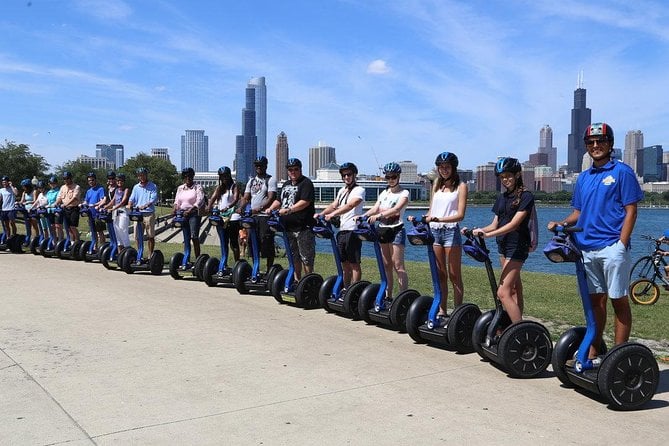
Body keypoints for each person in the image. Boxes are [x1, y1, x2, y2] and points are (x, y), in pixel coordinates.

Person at [548, 122, 643, 364]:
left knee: (618, 300)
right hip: (586, 249)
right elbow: (578, 212)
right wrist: (561, 222)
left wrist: (621, 245)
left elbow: (631, 211)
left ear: (610, 144)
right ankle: (593, 352)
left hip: (612, 247)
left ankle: (617, 357)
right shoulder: (583, 178)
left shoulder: (622, 172)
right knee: (595, 303)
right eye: (590, 142)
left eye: (600, 141)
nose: (595, 145)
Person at [472, 157, 533, 324]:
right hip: (503, 246)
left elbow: (514, 224)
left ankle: (518, 330)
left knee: (503, 292)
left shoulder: (526, 196)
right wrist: (477, 231)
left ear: (518, 174)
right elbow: (494, 224)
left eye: (508, 176)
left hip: (517, 246)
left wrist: (488, 235)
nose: (505, 179)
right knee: (513, 289)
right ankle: (515, 324)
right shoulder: (502, 198)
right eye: (502, 177)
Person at [420, 152, 468, 320]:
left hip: (450, 231)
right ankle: (442, 309)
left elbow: (460, 214)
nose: (444, 170)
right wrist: (425, 218)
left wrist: (439, 218)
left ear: (453, 168)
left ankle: (458, 311)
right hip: (434, 231)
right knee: (440, 273)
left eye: (447, 167)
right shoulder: (437, 186)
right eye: (441, 167)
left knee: (454, 274)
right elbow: (432, 209)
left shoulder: (461, 186)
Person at [364, 162, 410, 301]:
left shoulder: (404, 193)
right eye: (388, 177)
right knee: (386, 265)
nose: (391, 179)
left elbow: (396, 209)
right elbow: (375, 208)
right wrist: (363, 216)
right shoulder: (384, 192)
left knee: (398, 265)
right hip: (383, 230)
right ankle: (388, 295)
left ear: (398, 176)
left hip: (396, 230)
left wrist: (379, 216)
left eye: (393, 176)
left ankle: (403, 297)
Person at [316, 162, 365, 290]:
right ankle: (345, 289)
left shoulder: (359, 190)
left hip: (353, 231)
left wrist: (332, 214)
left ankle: (354, 290)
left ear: (354, 175)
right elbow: (334, 204)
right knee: (344, 265)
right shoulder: (342, 191)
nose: (346, 177)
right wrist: (320, 214)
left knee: (354, 264)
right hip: (342, 231)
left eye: (349, 174)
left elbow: (350, 205)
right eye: (344, 175)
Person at [269, 158, 316, 281]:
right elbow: (279, 200)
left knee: (306, 257)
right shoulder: (286, 184)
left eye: (296, 169)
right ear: (287, 172)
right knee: (293, 257)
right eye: (290, 170)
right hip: (288, 227)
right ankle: (297, 281)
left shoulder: (306, 183)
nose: (293, 172)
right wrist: (271, 208)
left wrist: (289, 210)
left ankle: (308, 281)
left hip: (303, 228)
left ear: (300, 169)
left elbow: (305, 202)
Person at [237, 156, 277, 269]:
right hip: (252, 217)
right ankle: (256, 267)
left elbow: (271, 198)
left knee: (266, 241)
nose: (259, 167)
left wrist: (259, 208)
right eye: (257, 165)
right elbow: (246, 197)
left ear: (266, 166)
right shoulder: (251, 181)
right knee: (251, 242)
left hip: (265, 216)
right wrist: (241, 207)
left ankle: (270, 270)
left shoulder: (270, 179)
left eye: (261, 165)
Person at [208, 166, 241, 262]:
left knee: (233, 242)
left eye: (226, 176)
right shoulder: (219, 188)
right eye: (222, 176)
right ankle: (224, 263)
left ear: (229, 176)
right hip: (221, 218)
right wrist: (209, 206)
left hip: (232, 217)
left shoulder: (234, 187)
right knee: (223, 242)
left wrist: (228, 207)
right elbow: (213, 198)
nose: (224, 178)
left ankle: (237, 263)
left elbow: (235, 199)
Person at [173, 167, 205, 261]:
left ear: (193, 176)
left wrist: (191, 210)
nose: (188, 178)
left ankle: (198, 259)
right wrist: (175, 208)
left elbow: (200, 200)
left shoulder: (197, 187)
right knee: (186, 238)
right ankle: (186, 258)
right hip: (183, 214)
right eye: (186, 176)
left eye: (190, 176)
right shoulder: (180, 188)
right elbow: (177, 201)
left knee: (194, 236)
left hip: (194, 214)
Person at [127, 167, 158, 257]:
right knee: (137, 236)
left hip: (148, 213)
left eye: (143, 175)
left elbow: (153, 198)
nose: (142, 177)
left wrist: (146, 205)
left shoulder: (153, 186)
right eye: (140, 175)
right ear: (138, 177)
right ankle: (139, 254)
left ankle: (150, 255)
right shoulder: (136, 187)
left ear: (146, 175)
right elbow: (131, 199)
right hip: (138, 214)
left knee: (150, 236)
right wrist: (129, 204)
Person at [54, 171, 81, 242]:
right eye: (64, 179)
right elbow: (59, 197)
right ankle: (72, 242)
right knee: (68, 227)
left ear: (70, 178)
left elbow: (74, 198)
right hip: (65, 210)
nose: (65, 180)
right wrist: (56, 203)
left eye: (67, 178)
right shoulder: (63, 187)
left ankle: (78, 241)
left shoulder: (76, 187)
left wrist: (66, 204)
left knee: (73, 226)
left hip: (74, 209)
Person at [82, 172, 107, 248]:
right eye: (89, 180)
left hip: (98, 214)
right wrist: (83, 204)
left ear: (95, 180)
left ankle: (102, 247)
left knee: (100, 231)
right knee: (93, 232)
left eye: (92, 180)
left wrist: (95, 204)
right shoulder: (88, 191)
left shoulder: (100, 189)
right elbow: (86, 201)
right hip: (90, 214)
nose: (91, 182)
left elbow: (102, 200)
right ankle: (95, 246)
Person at [107, 173, 130, 249]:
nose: (119, 182)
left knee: (123, 231)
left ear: (124, 181)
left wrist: (113, 208)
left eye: (121, 180)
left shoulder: (126, 189)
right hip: (115, 213)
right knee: (117, 232)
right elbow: (112, 201)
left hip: (123, 212)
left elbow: (123, 202)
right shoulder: (116, 190)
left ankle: (127, 248)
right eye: (118, 180)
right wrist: (104, 207)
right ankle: (120, 251)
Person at [45, 176, 63, 242]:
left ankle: (60, 240)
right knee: (52, 226)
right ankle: (54, 241)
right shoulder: (49, 192)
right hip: (49, 211)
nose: (52, 184)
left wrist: (54, 204)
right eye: (51, 183)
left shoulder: (58, 191)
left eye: (54, 183)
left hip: (56, 210)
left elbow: (58, 200)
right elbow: (46, 201)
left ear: (56, 183)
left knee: (58, 226)